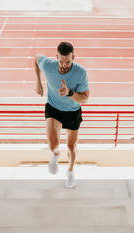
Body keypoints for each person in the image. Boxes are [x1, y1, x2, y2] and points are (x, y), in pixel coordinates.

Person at [34, 41, 89, 188]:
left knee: (71, 147)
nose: (64, 65)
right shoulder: (48, 65)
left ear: (74, 57)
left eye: (68, 62)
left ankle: (70, 172)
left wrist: (69, 93)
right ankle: (55, 154)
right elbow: (36, 58)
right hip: (54, 108)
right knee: (53, 145)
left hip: (72, 111)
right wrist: (38, 82)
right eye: (61, 61)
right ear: (56, 57)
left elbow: (85, 98)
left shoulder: (81, 73)